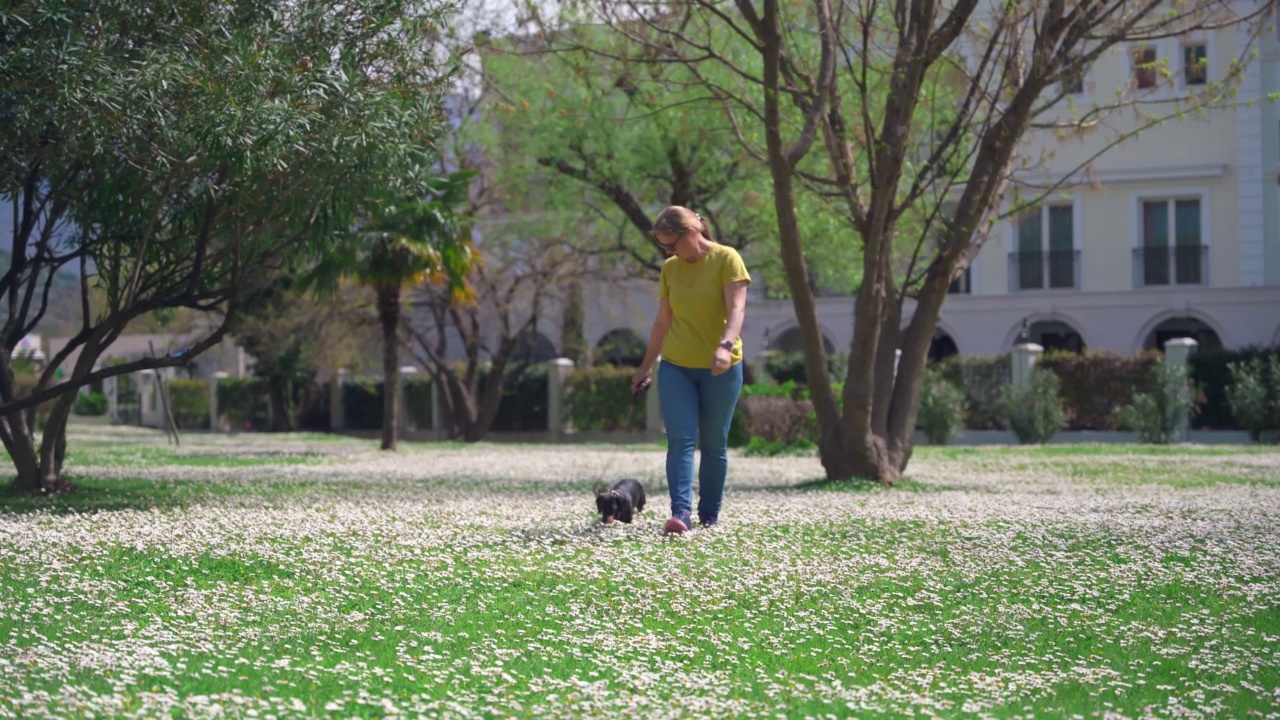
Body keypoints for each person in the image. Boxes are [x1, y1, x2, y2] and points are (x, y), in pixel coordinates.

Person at [631, 206, 751, 534]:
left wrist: (725, 346)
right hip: (676, 367)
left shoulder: (727, 259)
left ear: (692, 232)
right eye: (665, 247)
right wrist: (644, 366)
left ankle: (709, 515)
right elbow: (662, 322)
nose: (669, 252)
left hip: (721, 368)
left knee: (714, 443)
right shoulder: (671, 269)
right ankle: (680, 513)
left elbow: (737, 308)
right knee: (681, 441)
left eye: (672, 245)